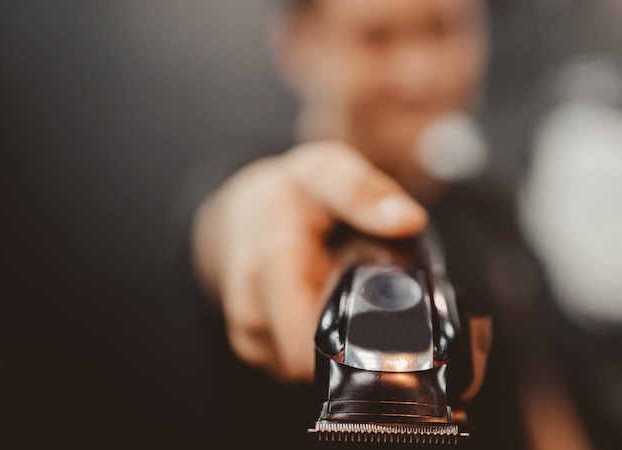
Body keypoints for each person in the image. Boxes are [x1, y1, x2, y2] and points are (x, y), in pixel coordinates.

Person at [188, 0, 594, 448]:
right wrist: (256, 217)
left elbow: (540, 394)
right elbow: (241, 220)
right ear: (299, 44)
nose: (417, 73)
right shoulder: (264, 190)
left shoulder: (489, 205)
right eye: (376, 37)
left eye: (442, 30)